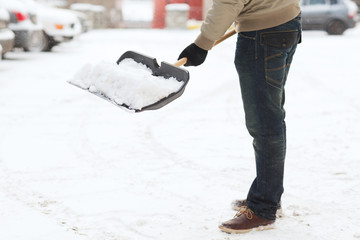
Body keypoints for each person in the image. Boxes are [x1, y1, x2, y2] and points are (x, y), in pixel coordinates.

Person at [178, 0, 302, 234]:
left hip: (263, 36)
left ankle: (264, 207)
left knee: (265, 121)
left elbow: (229, 2)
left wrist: (201, 44)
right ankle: (269, 196)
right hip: (287, 23)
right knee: (271, 115)